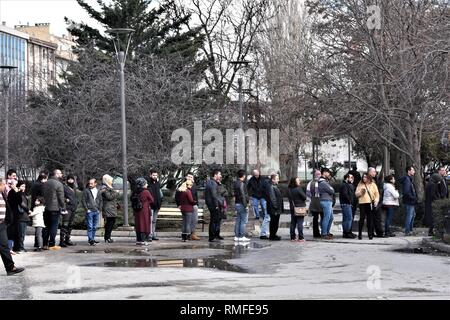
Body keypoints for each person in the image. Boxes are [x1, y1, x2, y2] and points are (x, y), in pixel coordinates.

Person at [0, 178, 25, 276]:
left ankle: (10, 268)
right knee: (3, 246)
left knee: (4, 246)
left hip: (2, 224)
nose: (5, 186)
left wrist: (15, 189)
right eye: (3, 184)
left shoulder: (3, 194)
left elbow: (18, 199)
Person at [42, 169, 67, 250]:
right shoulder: (59, 184)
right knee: (54, 226)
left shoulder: (45, 183)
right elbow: (61, 198)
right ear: (56, 174)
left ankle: (44, 243)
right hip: (55, 208)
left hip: (45, 208)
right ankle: (52, 244)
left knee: (46, 226)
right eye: (60, 173)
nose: (61, 175)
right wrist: (63, 207)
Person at [175, 172, 200, 240]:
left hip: (194, 206)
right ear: (186, 177)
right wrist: (178, 205)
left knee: (194, 220)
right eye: (188, 176)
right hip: (187, 206)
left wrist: (196, 204)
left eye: (191, 177)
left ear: (193, 179)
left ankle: (192, 234)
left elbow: (196, 196)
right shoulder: (182, 185)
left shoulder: (194, 185)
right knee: (187, 221)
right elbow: (177, 196)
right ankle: (187, 235)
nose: (190, 178)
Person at [355, 174, 380, 240]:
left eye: (365, 177)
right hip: (362, 203)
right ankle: (360, 234)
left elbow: (377, 194)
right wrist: (360, 193)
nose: (364, 178)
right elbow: (356, 194)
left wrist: (376, 201)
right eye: (363, 177)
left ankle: (370, 234)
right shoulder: (360, 184)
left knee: (370, 219)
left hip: (370, 203)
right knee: (362, 219)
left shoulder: (373, 184)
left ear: (369, 178)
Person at [132, 178, 154, 246]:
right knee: (144, 224)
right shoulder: (146, 191)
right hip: (144, 210)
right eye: (146, 183)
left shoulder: (135, 191)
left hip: (136, 210)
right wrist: (146, 202)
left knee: (138, 224)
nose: (147, 184)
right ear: (143, 184)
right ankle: (143, 240)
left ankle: (138, 240)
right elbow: (152, 200)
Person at [82, 178, 103, 246]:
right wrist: (86, 209)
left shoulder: (98, 191)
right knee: (90, 226)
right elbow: (83, 200)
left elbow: (100, 200)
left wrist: (99, 209)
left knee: (94, 227)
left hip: (96, 211)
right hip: (90, 211)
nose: (90, 185)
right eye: (89, 183)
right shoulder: (86, 191)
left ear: (95, 184)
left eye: (92, 183)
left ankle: (92, 239)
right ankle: (90, 239)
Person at [205, 169, 225, 242]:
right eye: (219, 174)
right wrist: (216, 205)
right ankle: (212, 236)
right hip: (214, 205)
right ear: (215, 175)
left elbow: (223, 192)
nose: (221, 176)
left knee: (217, 220)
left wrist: (220, 184)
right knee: (214, 220)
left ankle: (216, 234)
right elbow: (214, 195)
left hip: (216, 204)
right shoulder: (212, 183)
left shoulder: (215, 183)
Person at [399, 166, 418, 236]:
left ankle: (410, 230)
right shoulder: (407, 179)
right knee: (409, 216)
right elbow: (406, 192)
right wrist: (413, 198)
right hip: (409, 201)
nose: (414, 171)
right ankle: (408, 231)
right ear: (409, 171)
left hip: (410, 201)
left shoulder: (409, 179)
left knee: (412, 215)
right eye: (413, 170)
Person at [287, 177, 307, 242]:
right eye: (298, 181)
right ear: (294, 182)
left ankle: (292, 237)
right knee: (300, 222)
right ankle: (301, 237)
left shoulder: (289, 189)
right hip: (300, 208)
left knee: (293, 222)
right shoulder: (298, 189)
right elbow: (304, 197)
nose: (299, 182)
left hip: (292, 207)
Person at [265, 173, 283, 241]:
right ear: (273, 179)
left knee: (275, 222)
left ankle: (273, 235)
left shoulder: (274, 186)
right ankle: (272, 236)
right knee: (274, 222)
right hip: (274, 209)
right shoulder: (271, 186)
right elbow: (273, 198)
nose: (278, 180)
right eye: (277, 179)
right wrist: (275, 207)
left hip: (276, 209)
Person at [61, 174, 78, 247]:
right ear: (67, 180)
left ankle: (67, 239)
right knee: (65, 224)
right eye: (69, 179)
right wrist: (65, 200)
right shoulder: (64, 187)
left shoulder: (74, 188)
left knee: (70, 225)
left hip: (73, 208)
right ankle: (62, 241)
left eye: (72, 179)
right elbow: (60, 196)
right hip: (67, 208)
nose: (70, 181)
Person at [101, 174, 119, 244]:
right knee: (109, 223)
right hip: (108, 208)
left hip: (112, 208)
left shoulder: (109, 188)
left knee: (111, 223)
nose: (111, 182)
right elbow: (109, 197)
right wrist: (116, 193)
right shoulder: (104, 189)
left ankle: (108, 237)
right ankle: (107, 237)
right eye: (110, 180)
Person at [306, 170, 324, 238]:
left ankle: (316, 233)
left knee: (315, 218)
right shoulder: (323, 182)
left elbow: (308, 194)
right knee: (323, 217)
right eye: (319, 174)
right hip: (322, 202)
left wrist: (311, 201)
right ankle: (324, 231)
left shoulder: (310, 183)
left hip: (313, 203)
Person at [234, 170, 250, 243]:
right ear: (243, 176)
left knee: (238, 220)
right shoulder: (241, 184)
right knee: (243, 221)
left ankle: (237, 236)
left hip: (237, 203)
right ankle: (241, 236)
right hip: (241, 204)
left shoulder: (236, 183)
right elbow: (243, 195)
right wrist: (246, 205)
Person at [368, 167, 384, 237]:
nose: (375, 173)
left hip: (377, 201)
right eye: (374, 172)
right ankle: (376, 232)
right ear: (370, 172)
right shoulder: (368, 180)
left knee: (376, 217)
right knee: (374, 218)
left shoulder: (375, 179)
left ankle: (377, 232)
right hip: (371, 201)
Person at [147, 169, 163, 241]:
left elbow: (160, 194)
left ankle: (153, 234)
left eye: (156, 175)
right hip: (150, 205)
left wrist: (160, 203)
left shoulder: (158, 183)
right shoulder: (148, 183)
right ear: (150, 175)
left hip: (157, 205)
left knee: (154, 221)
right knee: (150, 221)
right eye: (153, 175)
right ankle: (149, 235)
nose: (155, 176)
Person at [340, 174, 357, 239]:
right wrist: (350, 201)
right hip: (346, 204)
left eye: (353, 177)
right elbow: (345, 194)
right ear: (347, 178)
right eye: (351, 178)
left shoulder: (346, 184)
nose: (352, 179)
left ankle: (346, 232)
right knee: (349, 218)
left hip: (346, 203)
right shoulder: (344, 185)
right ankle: (347, 233)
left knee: (346, 219)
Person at [16, 181, 30, 253]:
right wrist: (28, 210)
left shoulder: (24, 194)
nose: (23, 188)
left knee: (23, 233)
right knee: (21, 233)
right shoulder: (18, 194)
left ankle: (21, 247)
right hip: (21, 216)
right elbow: (22, 204)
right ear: (18, 186)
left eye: (24, 186)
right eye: (22, 186)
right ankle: (20, 248)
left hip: (25, 216)